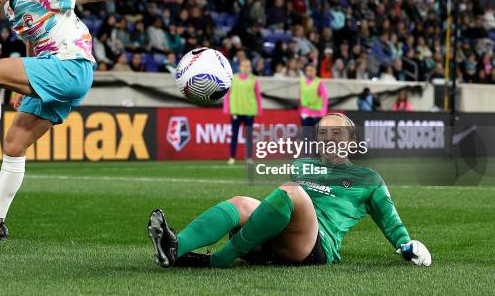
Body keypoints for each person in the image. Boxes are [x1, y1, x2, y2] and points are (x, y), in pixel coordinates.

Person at [0, 0, 176, 250]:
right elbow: (33, 40)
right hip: (55, 69)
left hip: (70, 67)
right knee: (14, 144)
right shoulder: (10, 9)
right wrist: (20, 87)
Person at [147, 113, 432, 268]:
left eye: (337, 134)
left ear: (352, 140)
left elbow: (390, 220)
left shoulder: (368, 178)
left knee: (293, 192)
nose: (329, 141)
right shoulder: (303, 164)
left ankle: (222, 259)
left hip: (315, 247)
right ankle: (175, 247)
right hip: (276, 238)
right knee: (242, 201)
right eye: (322, 134)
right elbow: (279, 210)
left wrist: (406, 244)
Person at [223, 59, 263, 165]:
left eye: (248, 66)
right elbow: (227, 94)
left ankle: (249, 157)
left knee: (249, 136)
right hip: (236, 110)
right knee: (234, 135)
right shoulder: (233, 78)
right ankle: (232, 157)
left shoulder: (254, 79)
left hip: (249, 111)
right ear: (240, 67)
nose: (246, 68)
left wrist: (259, 110)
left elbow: (258, 96)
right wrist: (226, 108)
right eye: (244, 66)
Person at [299, 63, 328, 132]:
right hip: (305, 113)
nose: (309, 72)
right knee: (306, 136)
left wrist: (323, 112)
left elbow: (324, 97)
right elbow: (301, 97)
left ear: (315, 71)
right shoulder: (302, 82)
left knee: (316, 137)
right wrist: (300, 111)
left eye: (311, 70)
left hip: (316, 113)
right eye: (307, 70)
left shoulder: (319, 82)